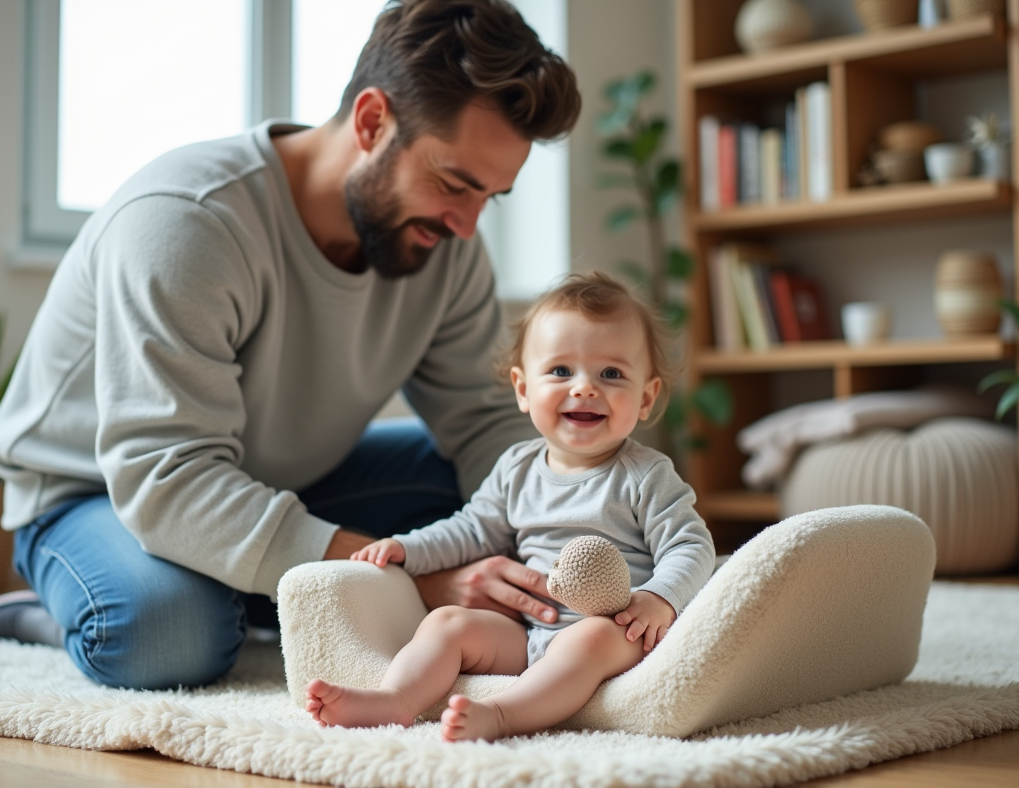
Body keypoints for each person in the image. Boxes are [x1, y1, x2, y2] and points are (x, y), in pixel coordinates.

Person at [0, 0, 581, 691]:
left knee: (510, 481)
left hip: (289, 475)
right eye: (453, 183)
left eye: (489, 198)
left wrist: (572, 536)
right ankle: (62, 610)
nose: (468, 226)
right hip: (100, 491)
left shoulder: (447, 246)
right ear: (374, 120)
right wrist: (419, 576)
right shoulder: (189, 221)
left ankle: (257, 584)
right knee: (171, 633)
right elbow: (169, 480)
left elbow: (483, 419)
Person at [305, 272, 715, 742]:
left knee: (590, 639)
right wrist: (406, 548)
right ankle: (395, 699)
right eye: (561, 372)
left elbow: (691, 544)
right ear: (523, 389)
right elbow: (472, 530)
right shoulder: (516, 467)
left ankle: (501, 715)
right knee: (447, 622)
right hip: (528, 629)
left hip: (613, 630)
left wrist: (658, 597)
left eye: (611, 374)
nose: (584, 388)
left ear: (645, 397)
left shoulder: (646, 475)